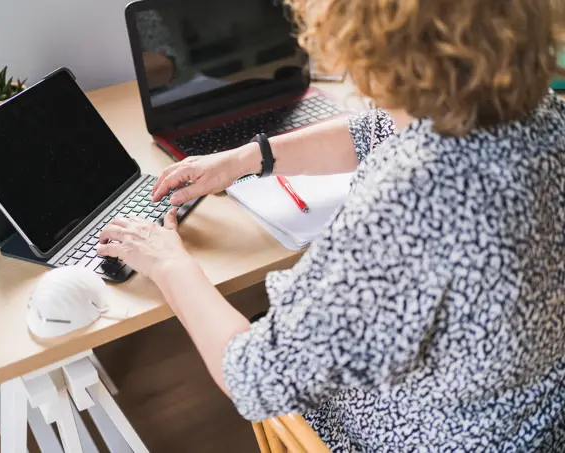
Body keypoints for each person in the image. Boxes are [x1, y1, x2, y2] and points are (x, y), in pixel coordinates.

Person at [97, 0, 565, 450]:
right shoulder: (540, 113)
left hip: (426, 433)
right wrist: (249, 157)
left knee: (261, 332)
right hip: (530, 417)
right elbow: (375, 130)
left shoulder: (412, 203)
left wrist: (169, 263)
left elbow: (254, 377)